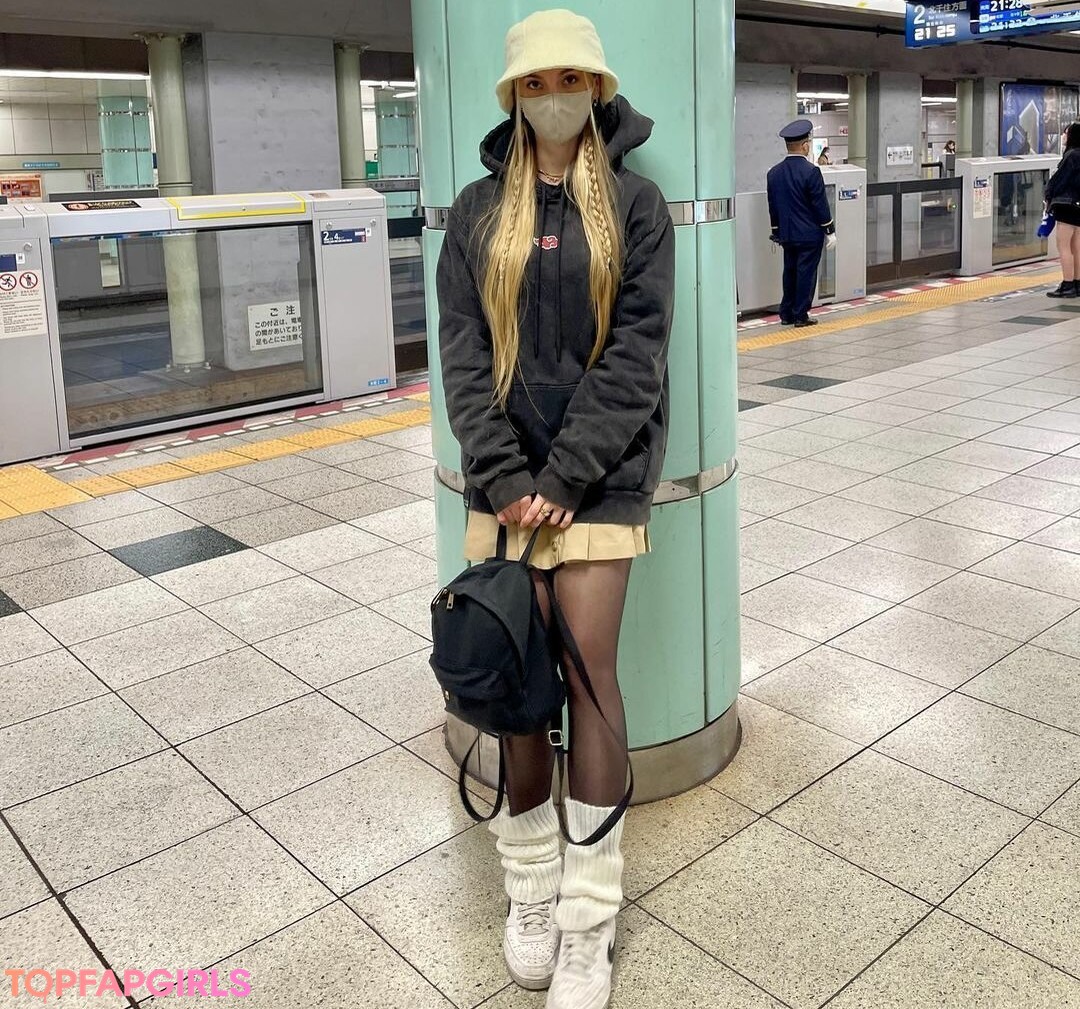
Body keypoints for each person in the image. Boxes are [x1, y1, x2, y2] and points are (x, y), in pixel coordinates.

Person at [436, 9, 675, 1008]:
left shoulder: (637, 205)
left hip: (600, 477)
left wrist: (568, 475)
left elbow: (638, 354)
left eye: (570, 79)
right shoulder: (474, 211)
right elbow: (459, 353)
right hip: (505, 483)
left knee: (587, 672)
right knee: (519, 683)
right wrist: (503, 476)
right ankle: (531, 891)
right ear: (513, 98)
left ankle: (588, 918)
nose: (554, 97)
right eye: (534, 84)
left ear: (598, 87)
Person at [766, 119, 837, 327]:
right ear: (805, 145)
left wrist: (776, 231)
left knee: (789, 272)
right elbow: (820, 204)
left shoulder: (774, 173)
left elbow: (773, 206)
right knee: (806, 273)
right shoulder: (811, 171)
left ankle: (786, 313)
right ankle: (800, 315)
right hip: (809, 235)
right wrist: (829, 230)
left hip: (787, 235)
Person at [1044, 122, 1080, 298]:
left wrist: (1049, 195)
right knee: (1077, 246)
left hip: (1067, 205)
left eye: (1066, 133)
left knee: (1064, 246)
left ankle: (1068, 284)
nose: (1063, 136)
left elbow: (1060, 180)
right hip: (1078, 205)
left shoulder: (1072, 155)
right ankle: (1078, 283)